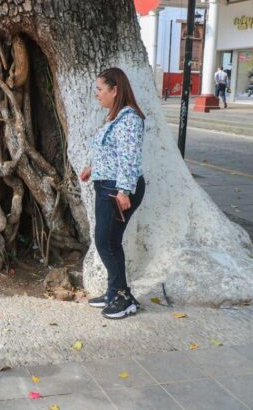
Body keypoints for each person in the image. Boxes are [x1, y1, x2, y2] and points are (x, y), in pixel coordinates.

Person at [79, 67, 146, 320]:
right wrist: (92, 168)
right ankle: (114, 292)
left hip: (117, 190)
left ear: (114, 89)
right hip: (107, 185)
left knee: (105, 242)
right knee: (109, 241)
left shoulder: (129, 118)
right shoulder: (114, 116)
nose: (96, 94)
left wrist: (124, 191)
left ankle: (123, 297)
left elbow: (129, 157)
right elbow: (112, 153)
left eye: (99, 89)